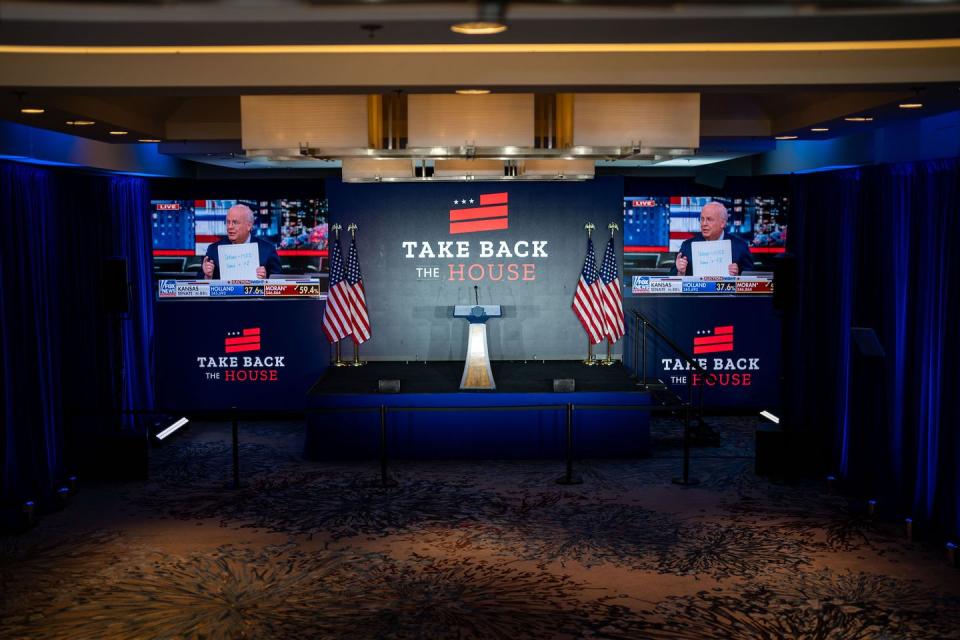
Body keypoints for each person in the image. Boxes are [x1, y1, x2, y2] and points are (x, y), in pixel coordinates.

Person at [200, 203, 282, 279]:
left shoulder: (268, 250)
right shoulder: (213, 250)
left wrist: (265, 280)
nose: (230, 227)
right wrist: (207, 276)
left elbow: (279, 283)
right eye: (228, 222)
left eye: (235, 222)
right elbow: (198, 284)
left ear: (249, 226)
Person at [671, 201, 755, 276]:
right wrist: (680, 272)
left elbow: (752, 279)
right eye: (702, 219)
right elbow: (672, 279)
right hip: (697, 293)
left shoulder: (740, 246)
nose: (704, 224)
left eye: (709, 219)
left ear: (722, 223)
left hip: (727, 293)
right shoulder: (687, 246)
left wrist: (737, 277)